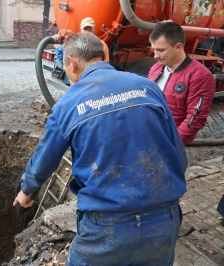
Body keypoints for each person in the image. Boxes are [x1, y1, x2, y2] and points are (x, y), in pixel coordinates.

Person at [13, 32, 188, 265]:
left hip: (107, 227)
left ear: (71, 63)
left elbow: (45, 159)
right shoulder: (148, 87)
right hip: (164, 220)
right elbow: (178, 155)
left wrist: (26, 190)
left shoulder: (68, 104)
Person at [148, 22, 216, 145]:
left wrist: (172, 144)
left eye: (160, 50)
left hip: (170, 143)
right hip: (150, 137)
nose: (155, 56)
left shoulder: (200, 76)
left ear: (178, 47)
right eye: (154, 50)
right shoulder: (156, 69)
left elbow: (195, 118)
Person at [56, 17, 109, 86]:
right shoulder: (74, 42)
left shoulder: (101, 44)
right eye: (85, 29)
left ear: (94, 29)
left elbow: (106, 63)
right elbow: (59, 50)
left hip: (92, 82)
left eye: (90, 28)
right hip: (76, 81)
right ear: (81, 29)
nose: (88, 31)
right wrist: (68, 66)